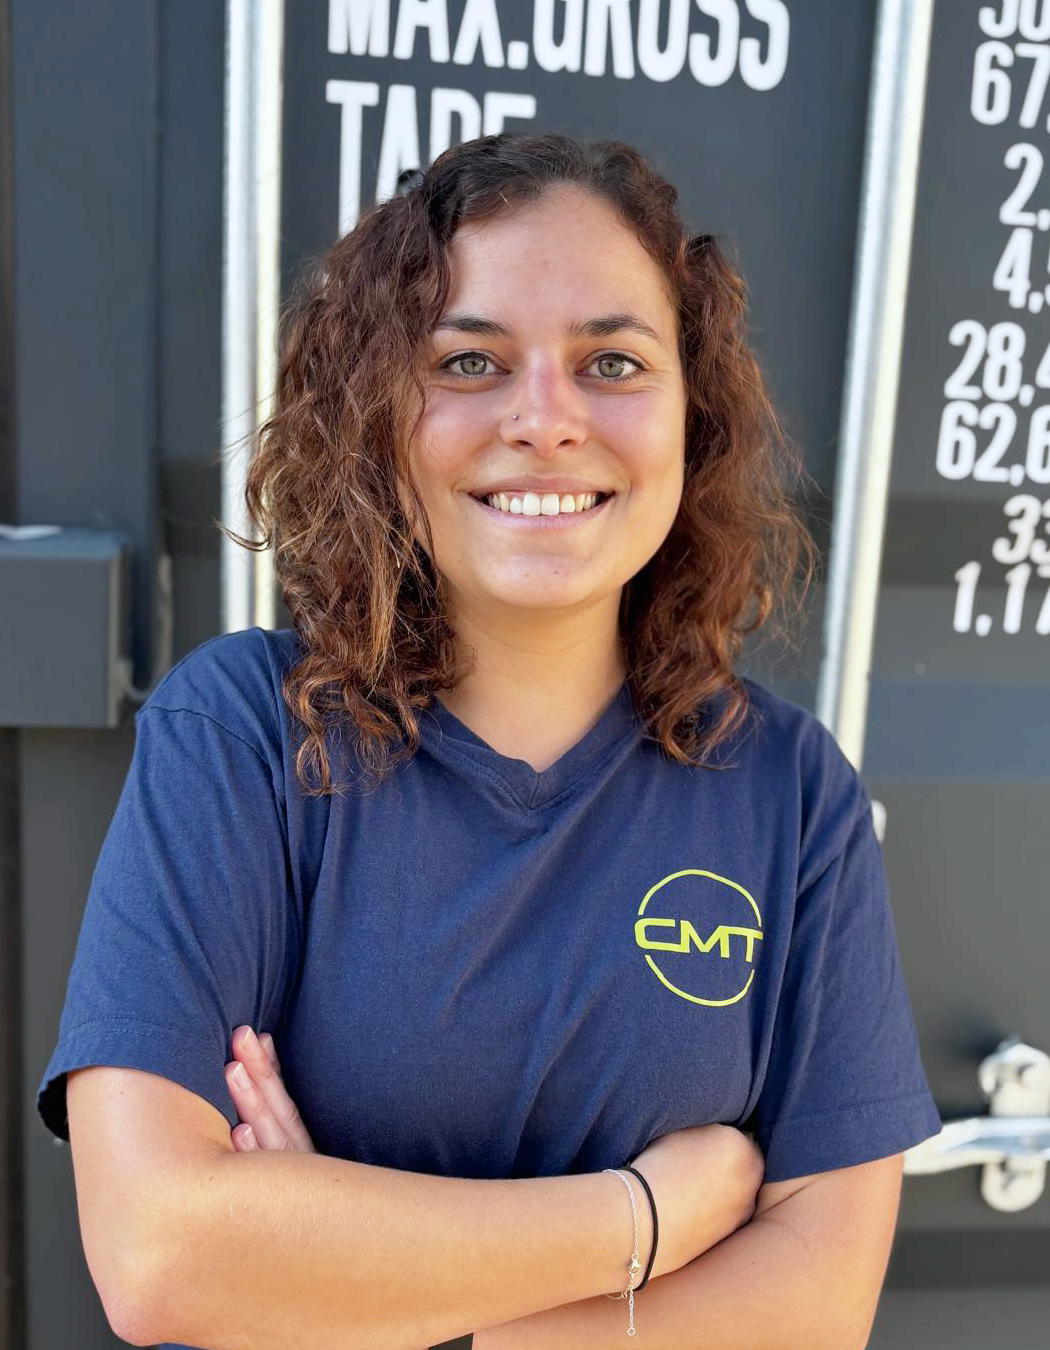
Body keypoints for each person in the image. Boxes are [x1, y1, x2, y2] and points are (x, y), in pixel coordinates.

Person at [37, 131, 941, 1350]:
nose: (546, 419)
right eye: (470, 360)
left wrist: (361, 1299)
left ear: (693, 418)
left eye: (612, 361)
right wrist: (645, 1219)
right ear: (379, 415)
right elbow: (160, 1254)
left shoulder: (788, 792)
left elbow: (817, 1305)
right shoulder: (244, 734)